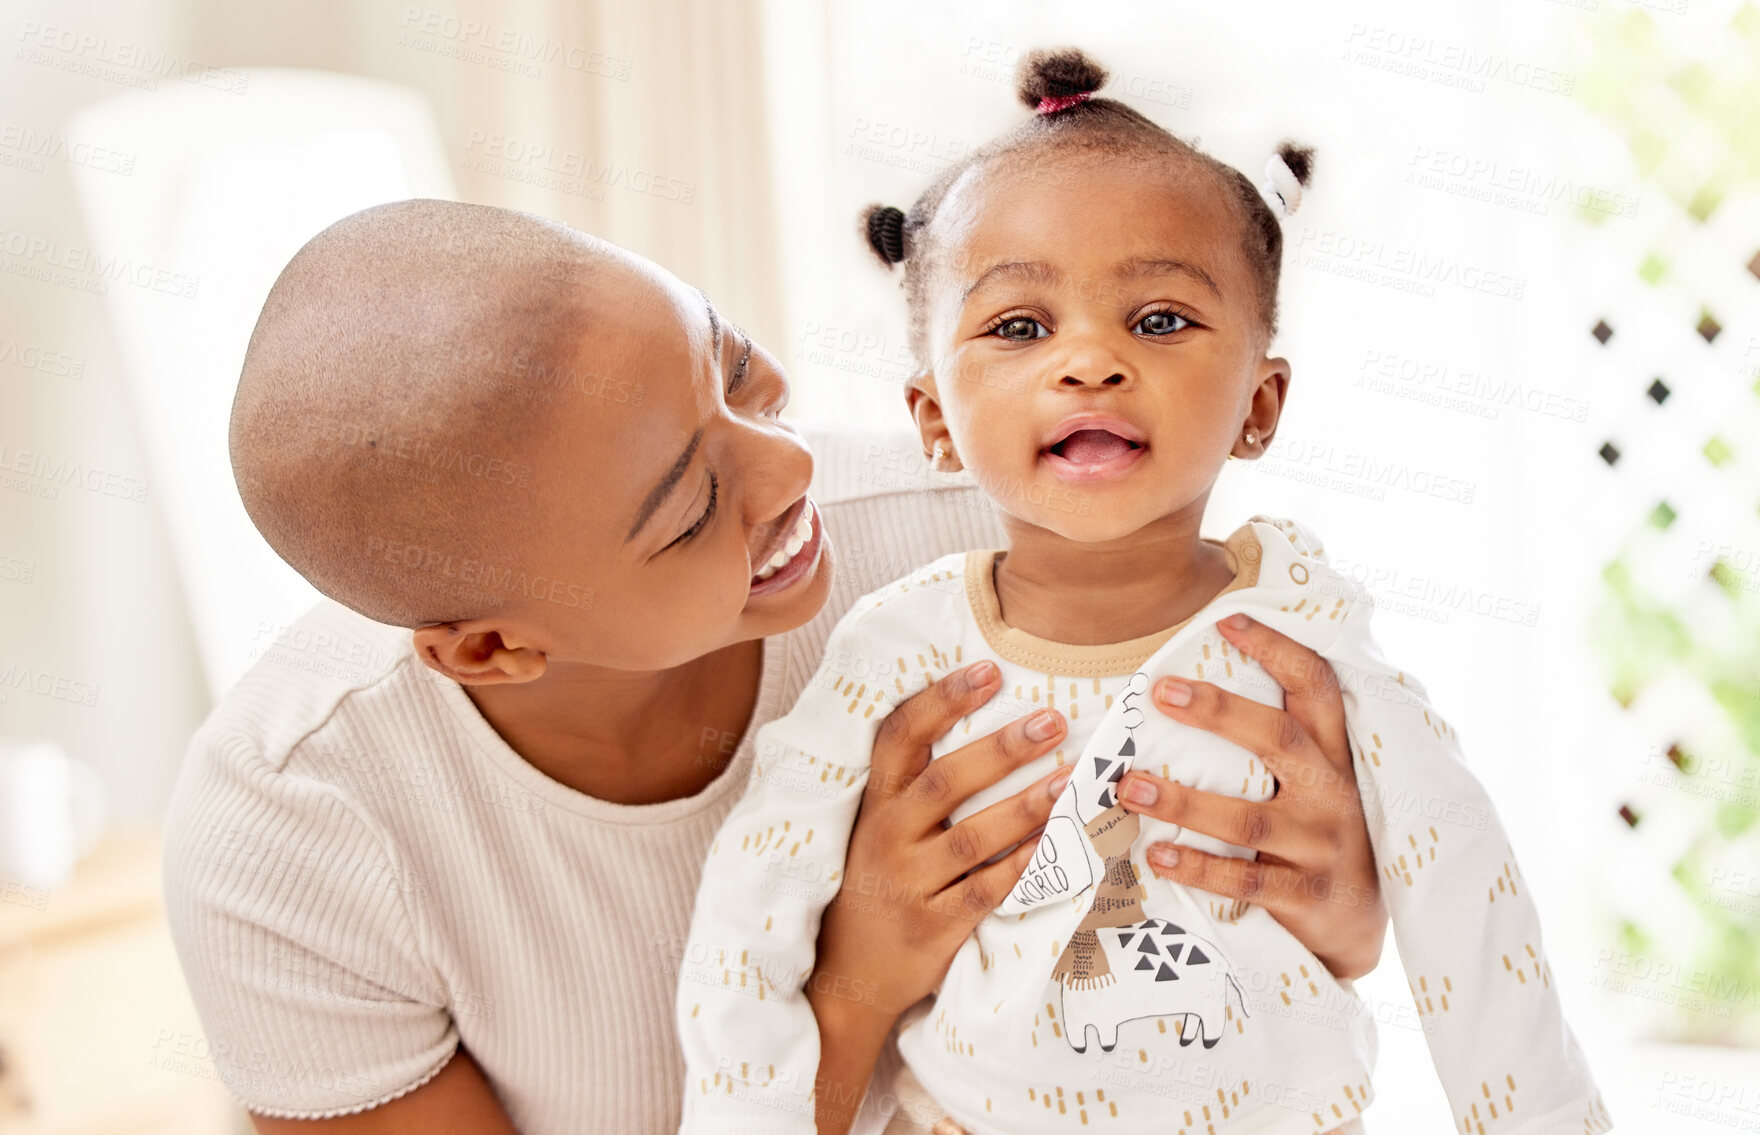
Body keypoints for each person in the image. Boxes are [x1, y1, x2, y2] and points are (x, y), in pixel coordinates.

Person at [163, 196, 1389, 1135]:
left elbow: (1248, 992)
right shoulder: (292, 835)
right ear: (491, 648)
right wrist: (847, 993)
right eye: (693, 507)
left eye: (734, 368)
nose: (788, 470)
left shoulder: (992, 539)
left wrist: (1341, 907)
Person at [676, 49, 1613, 1135]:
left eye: (1158, 320)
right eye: (1019, 327)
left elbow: (1460, 887)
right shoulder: (895, 648)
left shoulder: (1301, 628)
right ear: (932, 419)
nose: (1088, 361)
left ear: (1259, 405)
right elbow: (748, 922)